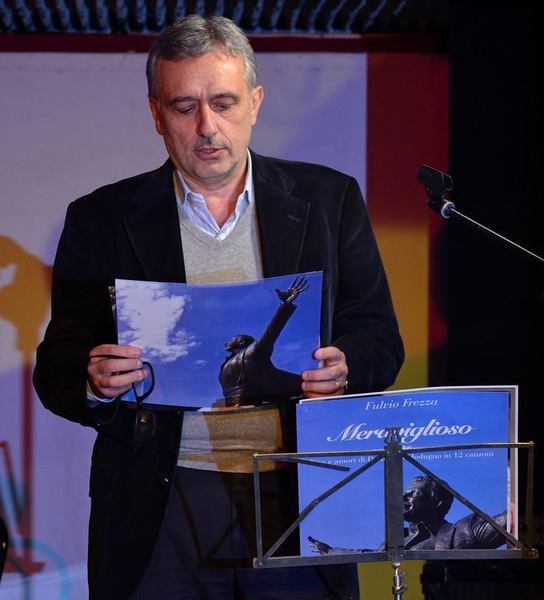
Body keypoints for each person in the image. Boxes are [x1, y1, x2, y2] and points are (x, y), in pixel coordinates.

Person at [33, 14, 404, 600]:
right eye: (184, 107)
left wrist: (346, 366)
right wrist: (93, 378)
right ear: (156, 114)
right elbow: (57, 364)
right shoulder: (99, 219)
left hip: (298, 492)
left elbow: (378, 336)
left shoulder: (328, 199)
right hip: (159, 500)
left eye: (224, 103)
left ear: (255, 102)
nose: (207, 127)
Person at [308, 475, 508, 555]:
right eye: (404, 493)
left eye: (413, 493)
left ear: (437, 501)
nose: (403, 496)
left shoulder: (464, 532)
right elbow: (369, 555)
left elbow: (509, 520)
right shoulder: (398, 540)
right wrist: (331, 551)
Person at [219, 275, 309, 407]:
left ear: (242, 342)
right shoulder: (252, 352)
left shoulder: (224, 367)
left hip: (236, 404)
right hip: (255, 400)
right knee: (309, 384)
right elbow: (272, 331)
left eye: (233, 339)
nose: (228, 342)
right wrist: (285, 305)